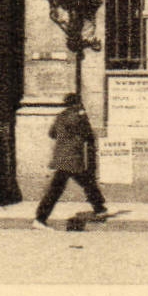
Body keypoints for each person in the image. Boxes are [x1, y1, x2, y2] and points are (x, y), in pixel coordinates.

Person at [33, 93, 107, 229]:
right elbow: (88, 134)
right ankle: (40, 218)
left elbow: (51, 133)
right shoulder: (78, 116)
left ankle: (100, 208)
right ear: (77, 103)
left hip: (61, 156)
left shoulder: (60, 116)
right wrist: (84, 116)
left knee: (86, 181)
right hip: (72, 157)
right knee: (57, 189)